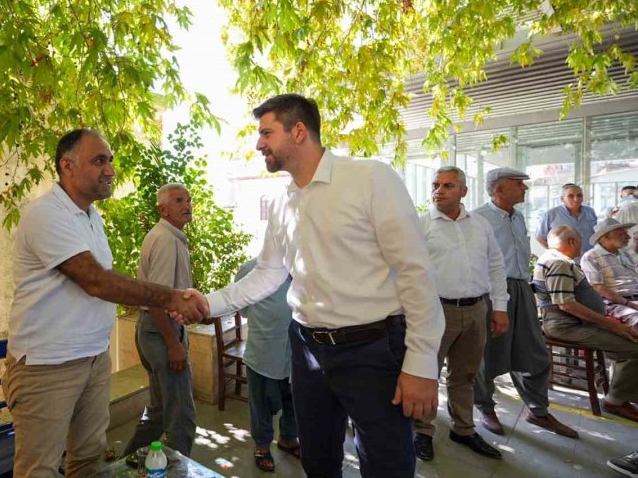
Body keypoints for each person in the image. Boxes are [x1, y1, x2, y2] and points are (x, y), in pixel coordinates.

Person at [186, 94, 445, 478]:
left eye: (266, 133)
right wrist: (208, 303)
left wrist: (422, 363)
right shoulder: (281, 203)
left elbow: (415, 272)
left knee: (387, 464)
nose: (259, 144)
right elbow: (267, 274)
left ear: (299, 131)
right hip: (306, 350)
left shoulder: (371, 179)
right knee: (318, 460)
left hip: (373, 350)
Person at [1, 129, 208, 478]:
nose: (110, 170)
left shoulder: (90, 216)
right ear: (67, 166)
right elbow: (96, 281)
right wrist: (171, 297)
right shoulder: (46, 214)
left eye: (110, 161)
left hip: (94, 359)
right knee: (39, 470)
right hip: (48, 366)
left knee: (87, 460)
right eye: (99, 160)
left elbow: (105, 276)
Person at [472, 167, 578, 439]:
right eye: (518, 184)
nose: (525, 188)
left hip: (521, 288)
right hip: (493, 290)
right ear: (499, 189)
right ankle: (485, 407)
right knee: (487, 353)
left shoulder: (518, 218)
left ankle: (538, 410)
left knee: (533, 351)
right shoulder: (478, 219)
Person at [413, 167, 508, 462]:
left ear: (464, 191)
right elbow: (408, 272)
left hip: (476, 310)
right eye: (435, 185)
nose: (439, 190)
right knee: (427, 373)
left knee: (465, 375)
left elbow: (495, 266)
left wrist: (500, 308)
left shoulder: (480, 225)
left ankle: (464, 429)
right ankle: (422, 430)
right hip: (436, 311)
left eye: (448, 185)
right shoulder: (421, 225)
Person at [533, 225, 638, 422]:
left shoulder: (557, 260)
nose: (582, 244)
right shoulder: (558, 263)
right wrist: (610, 324)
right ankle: (615, 401)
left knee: (629, 340)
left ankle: (622, 392)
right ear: (572, 242)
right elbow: (566, 305)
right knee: (635, 347)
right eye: (580, 239)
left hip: (576, 323)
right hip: (566, 326)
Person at [122, 183, 197, 457]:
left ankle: (124, 465)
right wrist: (173, 344)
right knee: (181, 418)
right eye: (179, 201)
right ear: (162, 209)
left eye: (188, 199)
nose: (187, 205)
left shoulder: (170, 236)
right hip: (161, 332)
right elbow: (156, 298)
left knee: (159, 412)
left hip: (156, 330)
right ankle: (179, 470)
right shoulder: (165, 240)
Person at [235, 258, 298, 472]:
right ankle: (261, 447)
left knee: (293, 402)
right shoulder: (250, 270)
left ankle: (288, 439)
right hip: (264, 353)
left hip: (294, 353)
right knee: (261, 403)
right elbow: (242, 309)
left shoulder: (300, 266)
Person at [580, 218, 638, 333]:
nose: (628, 237)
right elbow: (599, 288)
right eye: (622, 233)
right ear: (605, 237)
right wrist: (629, 304)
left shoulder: (625, 255)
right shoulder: (590, 257)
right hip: (614, 304)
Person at [536, 183, 597, 261]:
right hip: (564, 262)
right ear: (562, 198)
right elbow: (540, 237)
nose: (576, 199)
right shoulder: (551, 214)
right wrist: (557, 254)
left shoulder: (590, 212)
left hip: (589, 260)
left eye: (579, 195)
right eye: (570, 196)